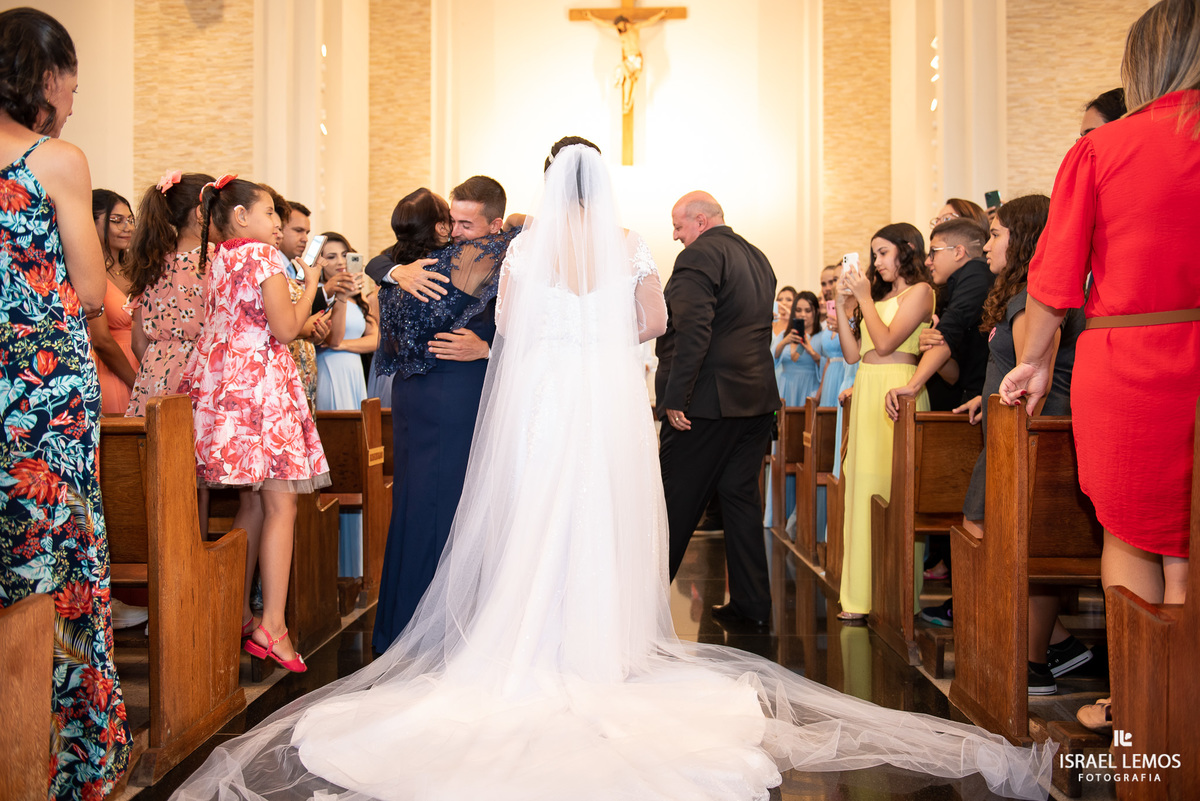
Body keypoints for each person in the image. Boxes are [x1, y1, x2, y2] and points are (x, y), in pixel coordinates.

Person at [171, 141, 1052, 801]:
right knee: (598, 514)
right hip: (601, 403)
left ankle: (528, 640)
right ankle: (602, 650)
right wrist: (598, 334)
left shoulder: (526, 249)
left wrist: (556, 333)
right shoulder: (627, 244)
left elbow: (509, 327)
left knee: (535, 514)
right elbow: (652, 322)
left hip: (544, 401)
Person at [999, 0, 1200, 732]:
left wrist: (1032, 362)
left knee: (1131, 533)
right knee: (1189, 541)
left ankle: (1143, 707)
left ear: (1143, 62)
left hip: (1129, 360)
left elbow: (1054, 278)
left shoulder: (1104, 148)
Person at [0, 8, 132, 797]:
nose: (73, 104)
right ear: (46, 76)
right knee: (57, 557)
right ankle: (61, 753)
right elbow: (86, 289)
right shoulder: (54, 160)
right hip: (37, 389)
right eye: (73, 87)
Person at [179, 176, 331, 672]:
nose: (278, 225)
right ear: (241, 216)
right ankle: (274, 626)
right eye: (270, 214)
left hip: (227, 387)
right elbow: (285, 329)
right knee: (282, 504)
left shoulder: (218, 259)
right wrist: (310, 284)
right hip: (262, 386)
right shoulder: (264, 256)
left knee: (254, 503)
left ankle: (239, 610)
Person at [366, 176, 520, 654]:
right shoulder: (422, 262)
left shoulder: (507, 254)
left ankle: (438, 625)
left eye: (465, 223)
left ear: (494, 223)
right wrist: (397, 272)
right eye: (451, 220)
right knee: (421, 502)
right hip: (424, 397)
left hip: (454, 391)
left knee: (450, 502)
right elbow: (378, 263)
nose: (454, 231)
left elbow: (539, 326)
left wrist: (488, 347)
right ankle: (421, 627)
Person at [657, 191, 780, 630]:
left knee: (673, 504)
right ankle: (752, 606)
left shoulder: (698, 257)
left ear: (701, 221)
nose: (676, 236)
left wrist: (676, 397)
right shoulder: (758, 257)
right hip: (757, 401)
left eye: (679, 226)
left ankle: (641, 607)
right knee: (740, 501)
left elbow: (693, 332)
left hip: (707, 404)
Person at [834, 223, 934, 621]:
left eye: (882, 253)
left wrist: (864, 299)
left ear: (906, 249)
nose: (876, 262)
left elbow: (889, 342)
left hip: (898, 388)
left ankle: (897, 597)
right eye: (873, 254)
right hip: (867, 384)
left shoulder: (920, 292)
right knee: (861, 487)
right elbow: (853, 354)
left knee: (894, 490)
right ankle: (858, 598)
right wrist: (843, 306)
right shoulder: (878, 298)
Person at [125, 171, 215, 416]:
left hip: (155, 375)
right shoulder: (216, 259)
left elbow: (138, 342)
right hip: (203, 372)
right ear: (201, 213)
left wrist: (165, 362)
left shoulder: (151, 261)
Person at [884, 217, 992, 415]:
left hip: (981, 402)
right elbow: (953, 375)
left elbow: (950, 328)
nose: (928, 261)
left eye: (934, 252)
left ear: (958, 252)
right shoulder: (953, 287)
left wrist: (913, 386)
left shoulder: (976, 270)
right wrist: (931, 342)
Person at [91, 187, 141, 413]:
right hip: (114, 372)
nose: (128, 228)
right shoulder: (90, 273)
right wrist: (138, 384)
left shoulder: (136, 269)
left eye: (130, 220)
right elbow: (101, 341)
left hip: (146, 367)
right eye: (117, 221)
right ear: (91, 223)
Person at [315, 232, 376, 412]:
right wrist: (341, 296)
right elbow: (334, 338)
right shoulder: (318, 294)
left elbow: (375, 339)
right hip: (329, 367)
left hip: (354, 367)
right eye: (331, 257)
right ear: (320, 262)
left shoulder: (357, 296)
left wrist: (343, 345)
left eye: (344, 255)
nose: (340, 262)